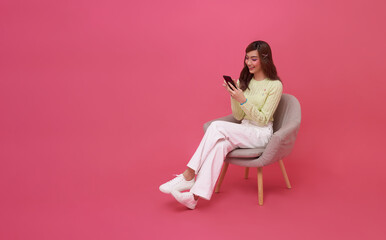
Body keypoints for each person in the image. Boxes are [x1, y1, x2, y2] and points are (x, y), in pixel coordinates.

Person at [159, 40, 283, 209]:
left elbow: (263, 119)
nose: (248, 62)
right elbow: (239, 116)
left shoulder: (275, 85)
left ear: (265, 59)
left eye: (254, 59)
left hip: (261, 133)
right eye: (247, 58)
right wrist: (234, 97)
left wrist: (243, 100)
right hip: (245, 128)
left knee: (216, 126)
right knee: (220, 145)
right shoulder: (244, 81)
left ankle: (188, 174)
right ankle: (193, 197)